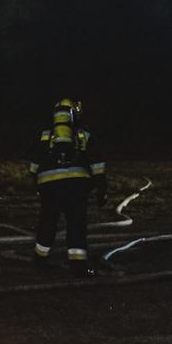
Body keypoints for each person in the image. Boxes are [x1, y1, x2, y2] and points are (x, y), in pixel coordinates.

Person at [28, 99, 107, 274]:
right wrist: (101, 186)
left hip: (49, 187)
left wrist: (34, 179)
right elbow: (97, 161)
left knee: (47, 223)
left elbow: (34, 158)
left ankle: (39, 261)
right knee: (76, 224)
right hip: (76, 187)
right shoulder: (83, 134)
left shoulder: (46, 135)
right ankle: (78, 265)